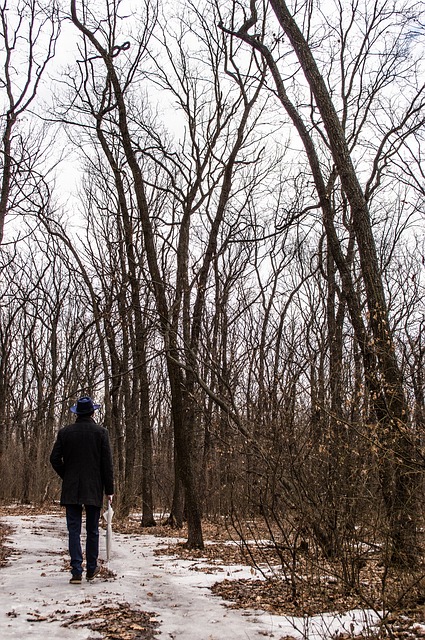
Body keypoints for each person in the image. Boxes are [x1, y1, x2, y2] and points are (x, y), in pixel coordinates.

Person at [50, 396, 114, 584]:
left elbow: (54, 459)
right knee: (93, 530)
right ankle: (91, 568)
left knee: (73, 530)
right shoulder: (101, 432)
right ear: (93, 412)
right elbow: (106, 464)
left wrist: (67, 475)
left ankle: (76, 570)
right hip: (94, 487)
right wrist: (109, 489)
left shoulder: (65, 432)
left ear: (77, 413)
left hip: (72, 488)